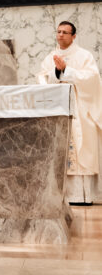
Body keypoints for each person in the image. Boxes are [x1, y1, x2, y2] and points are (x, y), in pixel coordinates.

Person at [38, 21, 102, 205]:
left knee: (83, 151)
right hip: (60, 110)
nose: (60, 35)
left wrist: (66, 70)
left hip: (81, 110)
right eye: (58, 31)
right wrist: (56, 73)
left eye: (65, 32)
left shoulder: (84, 56)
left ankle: (84, 196)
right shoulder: (50, 57)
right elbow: (42, 79)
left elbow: (92, 78)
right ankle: (65, 197)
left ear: (73, 36)